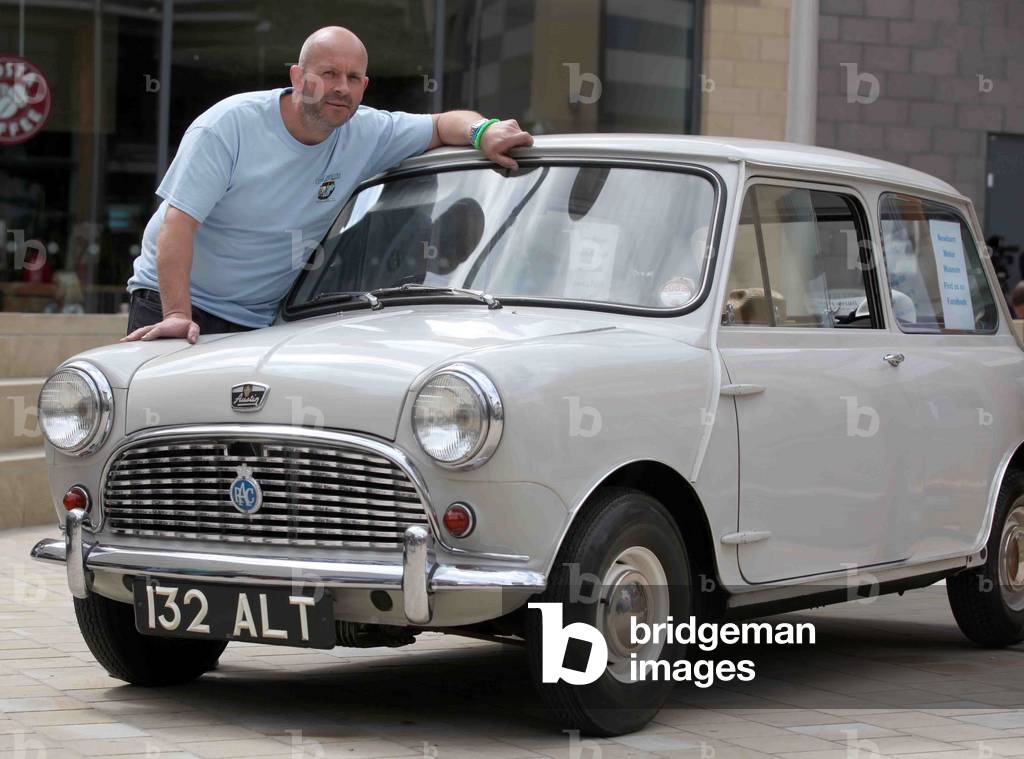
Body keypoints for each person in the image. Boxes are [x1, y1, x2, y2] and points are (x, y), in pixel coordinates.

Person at [122, 26, 533, 344]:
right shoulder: (228, 126)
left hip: (260, 321)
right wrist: (177, 314)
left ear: (364, 87)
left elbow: (444, 124)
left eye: (353, 77)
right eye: (329, 73)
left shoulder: (367, 132)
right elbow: (178, 224)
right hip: (172, 303)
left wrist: (484, 131)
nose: (341, 87)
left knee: (236, 448)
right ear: (299, 76)